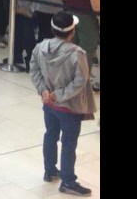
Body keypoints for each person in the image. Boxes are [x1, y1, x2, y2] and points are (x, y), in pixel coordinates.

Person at [30, 11, 96, 196]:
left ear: (52, 29)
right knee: (68, 143)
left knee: (50, 134)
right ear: (72, 32)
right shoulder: (78, 53)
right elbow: (80, 80)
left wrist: (44, 90)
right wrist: (59, 95)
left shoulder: (40, 47)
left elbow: (33, 68)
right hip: (69, 107)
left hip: (48, 105)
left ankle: (50, 170)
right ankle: (68, 181)